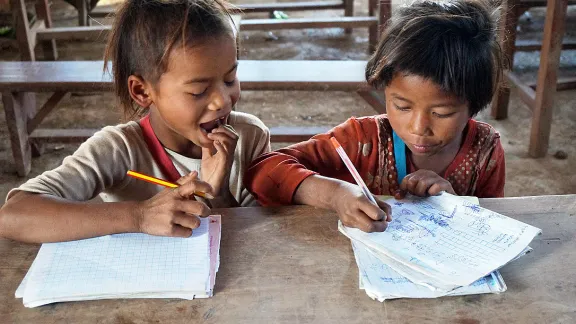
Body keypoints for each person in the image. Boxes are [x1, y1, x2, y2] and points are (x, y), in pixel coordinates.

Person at [0, 0, 270, 243]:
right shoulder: (119, 150)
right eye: (198, 91)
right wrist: (138, 216)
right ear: (142, 91)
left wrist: (219, 194)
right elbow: (14, 214)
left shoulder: (249, 137)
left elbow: (268, 236)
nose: (223, 101)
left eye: (229, 79)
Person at [244, 0, 505, 233]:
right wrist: (334, 195)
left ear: (475, 105)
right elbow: (262, 173)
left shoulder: (485, 150)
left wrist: (457, 205)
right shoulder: (362, 140)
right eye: (402, 106)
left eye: (442, 113)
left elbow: (495, 226)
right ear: (385, 89)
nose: (418, 127)